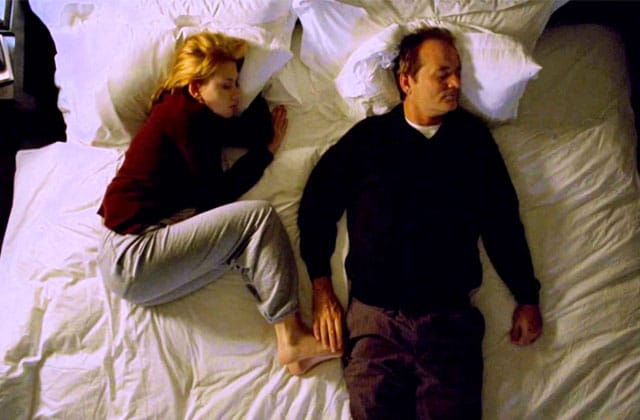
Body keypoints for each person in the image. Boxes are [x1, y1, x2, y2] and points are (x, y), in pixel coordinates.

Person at [298, 27, 543, 418]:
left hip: (448, 321)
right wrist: (321, 285)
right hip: (375, 322)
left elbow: (501, 220)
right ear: (406, 81)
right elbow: (317, 203)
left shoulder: (473, 142)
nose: (456, 83)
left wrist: (526, 295)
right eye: (443, 73)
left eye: (458, 72)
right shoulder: (368, 139)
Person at [96, 31, 340, 376]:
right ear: (196, 88)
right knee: (258, 219)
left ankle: (292, 344)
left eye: (237, 84)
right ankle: (292, 338)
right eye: (226, 86)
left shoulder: (202, 118)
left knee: (243, 246)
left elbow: (257, 131)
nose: (236, 94)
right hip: (132, 253)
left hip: (140, 267)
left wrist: (243, 81)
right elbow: (215, 196)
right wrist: (265, 155)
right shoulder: (183, 116)